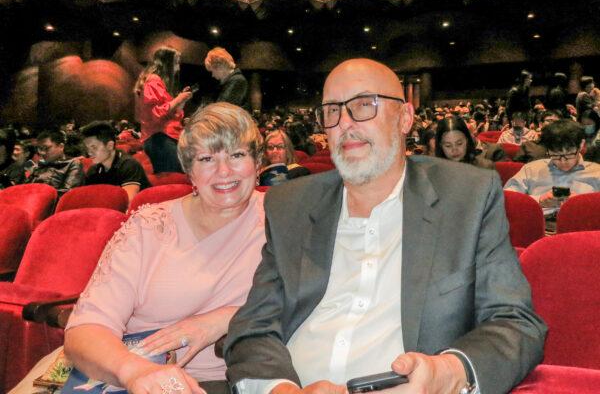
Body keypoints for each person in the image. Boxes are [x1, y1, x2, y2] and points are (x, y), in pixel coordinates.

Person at [224, 59, 546, 394]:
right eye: (332, 110)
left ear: (405, 117)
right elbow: (253, 327)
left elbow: (515, 323)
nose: (345, 123)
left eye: (365, 105)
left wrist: (448, 372)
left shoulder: (466, 198)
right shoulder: (290, 204)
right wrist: (280, 389)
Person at [62, 102, 266, 394]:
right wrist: (135, 372)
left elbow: (317, 301)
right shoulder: (148, 227)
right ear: (189, 170)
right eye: (206, 159)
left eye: (237, 155)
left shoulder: (281, 218)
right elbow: (85, 330)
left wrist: (224, 318)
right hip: (131, 374)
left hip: (229, 380)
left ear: (257, 162)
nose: (224, 171)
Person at [505, 119, 600, 216]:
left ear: (581, 144)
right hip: (540, 226)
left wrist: (584, 203)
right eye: (556, 155)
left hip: (582, 226)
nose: (563, 161)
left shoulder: (597, 172)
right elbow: (507, 199)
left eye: (569, 154)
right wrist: (539, 200)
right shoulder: (531, 169)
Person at [134, 46, 193, 174]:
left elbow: (169, 113)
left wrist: (181, 101)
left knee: (178, 180)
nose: (178, 66)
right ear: (167, 63)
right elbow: (156, 113)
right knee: (175, 181)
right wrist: (178, 99)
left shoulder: (157, 82)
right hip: (160, 139)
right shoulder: (153, 80)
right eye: (176, 62)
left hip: (164, 138)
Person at [81, 121, 150, 203]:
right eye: (88, 148)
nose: (89, 153)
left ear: (110, 145)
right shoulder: (93, 170)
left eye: (94, 147)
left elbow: (127, 203)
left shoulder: (129, 165)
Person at [25, 130, 84, 196]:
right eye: (40, 149)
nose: (42, 153)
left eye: (46, 148)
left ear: (61, 146)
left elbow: (68, 193)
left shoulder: (72, 164)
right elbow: (24, 188)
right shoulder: (38, 166)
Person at [204, 47, 250, 111]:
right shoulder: (230, 80)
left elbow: (221, 108)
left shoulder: (237, 80)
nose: (212, 75)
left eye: (212, 71)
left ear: (220, 67)